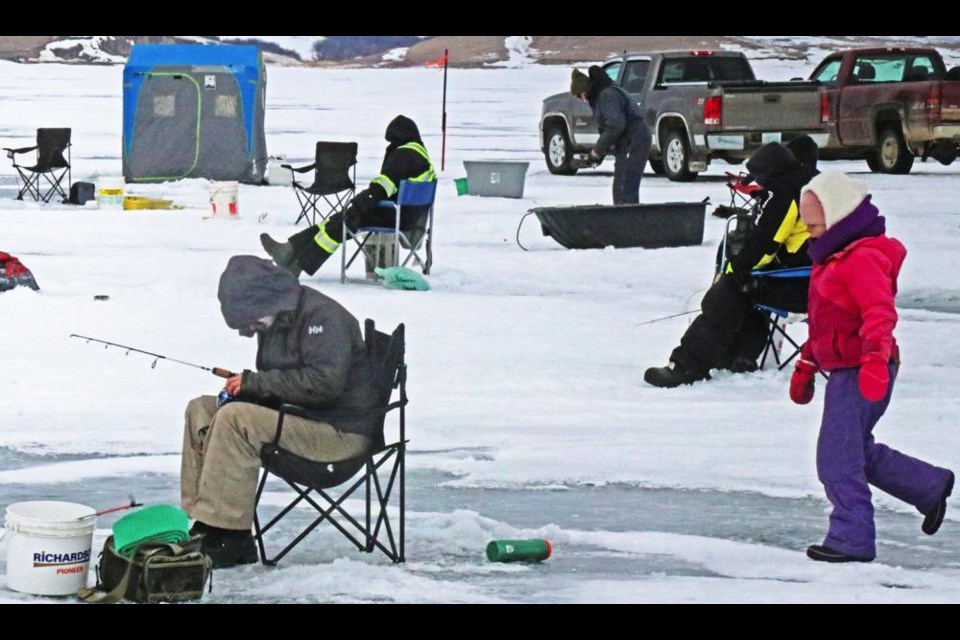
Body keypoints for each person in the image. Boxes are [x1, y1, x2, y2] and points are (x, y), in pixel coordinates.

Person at [790, 172, 954, 563]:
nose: (809, 234)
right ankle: (928, 485)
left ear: (838, 217)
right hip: (845, 370)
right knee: (853, 450)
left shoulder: (861, 259)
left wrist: (875, 362)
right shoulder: (831, 257)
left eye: (814, 225)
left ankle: (851, 539)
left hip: (864, 370)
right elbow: (827, 320)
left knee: (836, 458)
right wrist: (807, 363)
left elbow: (879, 315)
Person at [181, 255, 379, 568]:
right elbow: (284, 383)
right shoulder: (278, 319)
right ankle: (203, 523)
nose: (250, 327)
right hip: (303, 419)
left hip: (339, 435)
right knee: (203, 409)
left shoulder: (324, 318)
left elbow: (324, 384)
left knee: (235, 420)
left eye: (251, 319)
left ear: (269, 298)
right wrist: (249, 389)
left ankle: (230, 536)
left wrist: (256, 385)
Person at [644, 139, 815, 388]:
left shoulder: (785, 194)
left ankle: (686, 366)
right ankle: (739, 356)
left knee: (733, 287)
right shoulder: (807, 183)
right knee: (749, 287)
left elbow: (764, 247)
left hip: (803, 285)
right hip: (818, 279)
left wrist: (733, 268)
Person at [261, 115, 435, 277]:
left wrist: (362, 201)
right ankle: (290, 250)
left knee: (345, 220)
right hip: (408, 217)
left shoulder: (404, 154)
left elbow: (384, 185)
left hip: (396, 216)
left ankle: (298, 264)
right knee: (337, 220)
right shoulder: (420, 154)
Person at [570, 66, 652, 204]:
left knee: (624, 187)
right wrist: (597, 156)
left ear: (585, 90)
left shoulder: (606, 95)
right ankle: (626, 216)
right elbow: (607, 131)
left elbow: (615, 126)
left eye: (580, 95)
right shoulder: (601, 95)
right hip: (628, 141)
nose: (581, 99)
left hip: (633, 141)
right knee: (622, 186)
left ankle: (628, 219)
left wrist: (596, 152)